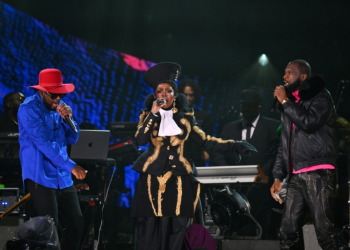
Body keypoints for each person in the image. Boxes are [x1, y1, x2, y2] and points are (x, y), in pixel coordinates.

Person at [131, 62, 256, 250]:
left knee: (178, 228)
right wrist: (153, 115)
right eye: (160, 91)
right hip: (152, 180)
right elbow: (140, 140)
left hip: (179, 180)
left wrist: (233, 145)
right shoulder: (147, 116)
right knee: (151, 227)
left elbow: (206, 140)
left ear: (175, 94)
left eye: (169, 90)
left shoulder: (186, 118)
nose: (164, 94)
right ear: (154, 95)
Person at [271, 60, 338, 249]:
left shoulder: (321, 97)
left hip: (319, 171)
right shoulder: (289, 105)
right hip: (296, 174)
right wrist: (278, 176)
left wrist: (285, 101)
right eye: (284, 72)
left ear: (303, 77)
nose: (284, 76)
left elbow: (309, 123)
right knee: (287, 230)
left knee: (325, 231)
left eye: (289, 72)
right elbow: (283, 144)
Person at [17, 68, 87, 250]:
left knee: (77, 224)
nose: (57, 99)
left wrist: (69, 119)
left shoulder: (59, 108)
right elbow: (44, 143)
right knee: (50, 229)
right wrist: (71, 166)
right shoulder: (28, 109)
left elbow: (73, 138)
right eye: (53, 95)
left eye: (60, 95)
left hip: (62, 176)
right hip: (40, 175)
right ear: (42, 91)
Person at [211, 88, 280, 239]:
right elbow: (217, 152)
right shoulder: (229, 128)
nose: (246, 108)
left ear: (259, 105)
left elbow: (276, 155)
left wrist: (263, 173)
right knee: (238, 231)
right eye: (244, 105)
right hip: (234, 191)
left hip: (262, 191)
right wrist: (227, 173)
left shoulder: (273, 127)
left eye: (250, 104)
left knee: (264, 231)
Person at [178, 79, 213, 167]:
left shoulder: (204, 116)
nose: (188, 98)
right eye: (185, 95)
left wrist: (207, 152)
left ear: (195, 96)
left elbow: (209, 137)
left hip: (197, 160)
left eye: (191, 95)